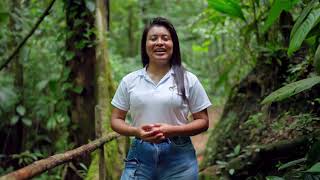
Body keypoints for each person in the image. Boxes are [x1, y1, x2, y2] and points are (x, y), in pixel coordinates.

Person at [110, 17, 211, 180]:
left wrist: (172, 130)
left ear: (173, 44)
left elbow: (203, 121)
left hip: (180, 160)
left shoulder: (188, 79)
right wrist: (136, 131)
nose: (159, 43)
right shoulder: (130, 80)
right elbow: (115, 119)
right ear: (145, 45)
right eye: (153, 38)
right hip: (139, 158)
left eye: (165, 38)